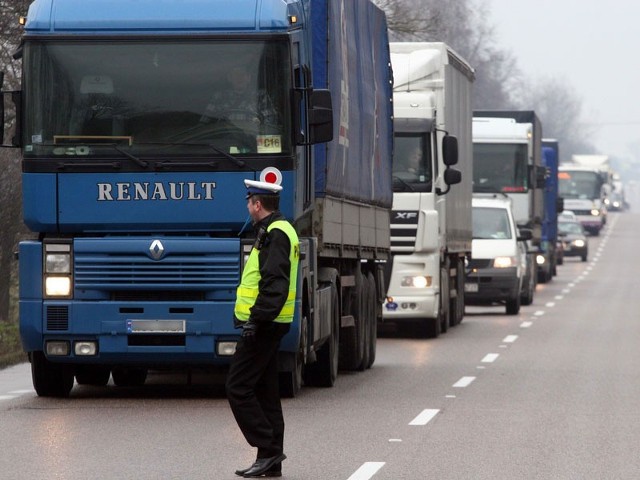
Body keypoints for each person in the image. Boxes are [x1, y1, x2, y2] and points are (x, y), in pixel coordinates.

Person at [226, 178, 299, 478]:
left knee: (237, 386)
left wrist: (255, 320)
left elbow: (274, 284)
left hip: (265, 324)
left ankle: (268, 449)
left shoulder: (276, 233)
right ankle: (272, 462)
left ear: (257, 204)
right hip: (271, 323)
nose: (247, 207)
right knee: (266, 391)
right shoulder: (276, 230)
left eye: (249, 202)